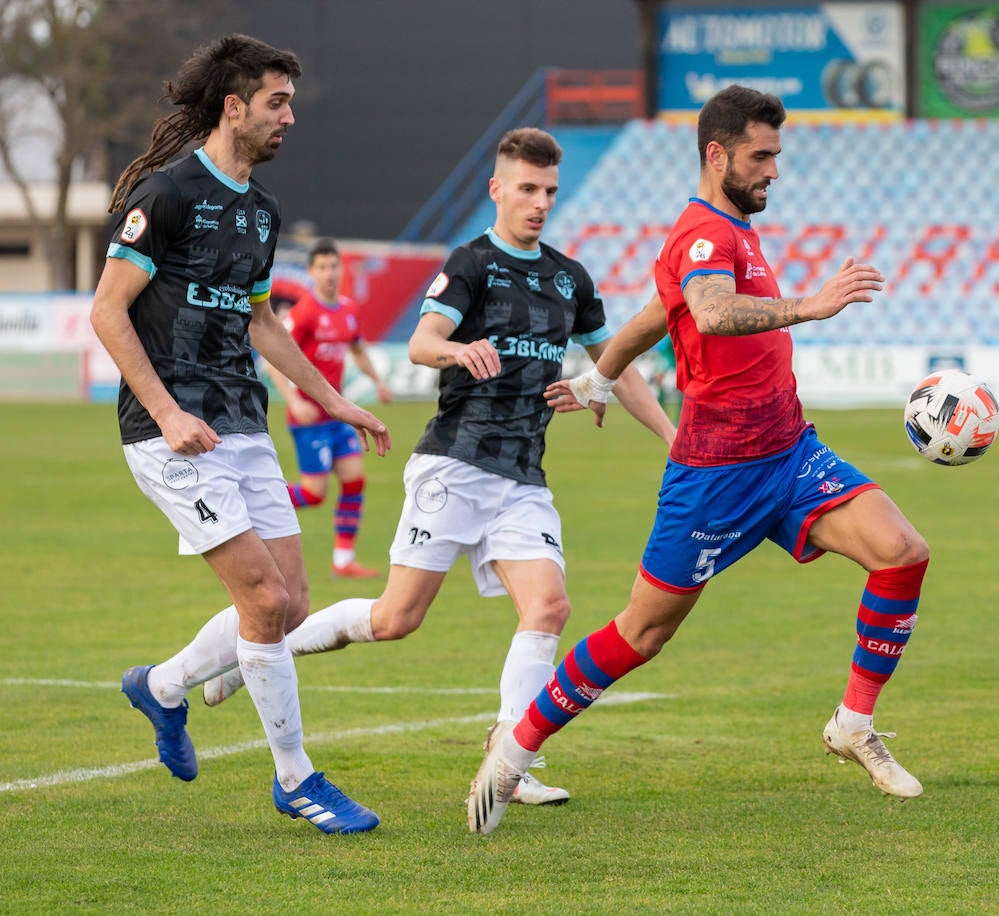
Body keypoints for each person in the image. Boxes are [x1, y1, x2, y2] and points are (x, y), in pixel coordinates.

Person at [469, 85, 930, 835]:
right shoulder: (705, 237)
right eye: (761, 155)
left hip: (789, 454)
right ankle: (512, 752)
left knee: (903, 553)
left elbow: (654, 320)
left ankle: (853, 723)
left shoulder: (735, 232)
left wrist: (599, 376)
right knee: (640, 635)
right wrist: (809, 305)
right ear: (718, 155)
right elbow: (711, 312)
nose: (774, 170)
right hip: (715, 477)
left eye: (777, 155)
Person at [200, 127, 676, 810]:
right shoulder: (472, 264)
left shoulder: (569, 279)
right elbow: (423, 342)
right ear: (498, 189)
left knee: (549, 607)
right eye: (527, 189)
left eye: (549, 192)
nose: (539, 203)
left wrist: (672, 437)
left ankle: (510, 756)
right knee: (397, 619)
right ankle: (258, 651)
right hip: (454, 464)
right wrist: (459, 351)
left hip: (523, 477)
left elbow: (615, 365)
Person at [91, 34, 391, 835]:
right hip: (169, 429)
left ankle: (160, 687)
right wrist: (166, 412)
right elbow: (107, 311)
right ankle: (296, 779)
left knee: (290, 605)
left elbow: (263, 324)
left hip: (240, 420)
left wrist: (336, 400)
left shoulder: (261, 210)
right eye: (276, 102)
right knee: (260, 598)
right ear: (234, 107)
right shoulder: (170, 193)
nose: (289, 117)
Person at [264, 238, 393, 578]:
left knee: (354, 481)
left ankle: (343, 560)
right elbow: (273, 361)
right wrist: (293, 400)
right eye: (321, 267)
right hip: (308, 417)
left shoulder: (348, 309)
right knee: (313, 493)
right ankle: (256, 500)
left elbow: (359, 351)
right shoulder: (304, 313)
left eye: (333, 266)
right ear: (311, 273)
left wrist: (378, 381)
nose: (329, 273)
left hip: (337, 416)